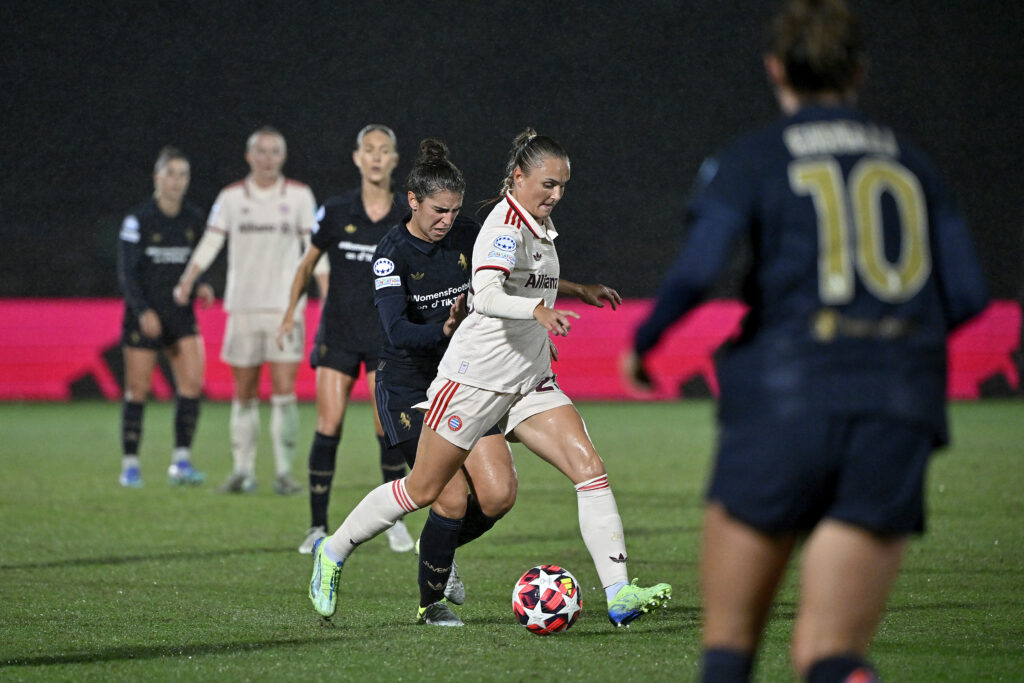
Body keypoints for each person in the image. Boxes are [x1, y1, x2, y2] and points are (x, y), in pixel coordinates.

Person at [623, 1, 989, 680]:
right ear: (859, 71)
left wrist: (644, 341)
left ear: (775, 69)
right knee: (831, 656)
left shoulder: (755, 158)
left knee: (729, 649)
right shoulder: (915, 164)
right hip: (896, 410)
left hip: (784, 403)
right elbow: (967, 294)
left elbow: (700, 270)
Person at [308, 127, 672, 628]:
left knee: (583, 470)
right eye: (548, 184)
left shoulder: (529, 225)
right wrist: (537, 313)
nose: (556, 195)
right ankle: (334, 549)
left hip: (528, 380)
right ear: (518, 177)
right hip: (470, 380)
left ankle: (619, 592)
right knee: (428, 490)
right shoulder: (498, 228)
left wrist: (575, 290)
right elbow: (487, 292)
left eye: (562, 186)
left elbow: (526, 279)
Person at [278, 124, 415, 554]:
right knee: (328, 425)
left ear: (394, 159)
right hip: (338, 333)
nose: (376, 157)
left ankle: (393, 521)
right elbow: (307, 264)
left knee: (386, 429)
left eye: (384, 150)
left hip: (384, 338)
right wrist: (290, 313)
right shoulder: (336, 211)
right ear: (357, 157)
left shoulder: (406, 213)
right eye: (368, 150)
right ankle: (317, 526)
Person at [175, 126, 318, 495]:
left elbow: (315, 248)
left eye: (275, 151)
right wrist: (189, 278)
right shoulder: (231, 197)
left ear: (283, 157)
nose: (268, 159)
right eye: (261, 151)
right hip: (243, 308)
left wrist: (328, 291)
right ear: (249, 156)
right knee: (244, 392)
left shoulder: (299, 196)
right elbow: (211, 241)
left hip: (285, 310)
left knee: (284, 391)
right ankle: (242, 471)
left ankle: (284, 473)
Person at [117, 146, 213, 488]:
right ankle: (130, 465)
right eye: (170, 173)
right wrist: (143, 310)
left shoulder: (194, 219)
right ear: (157, 177)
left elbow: (198, 262)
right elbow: (127, 273)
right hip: (144, 316)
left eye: (183, 174)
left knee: (191, 385)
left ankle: (181, 462)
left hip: (180, 315)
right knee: (137, 390)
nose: (177, 180)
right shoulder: (138, 220)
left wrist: (201, 285)